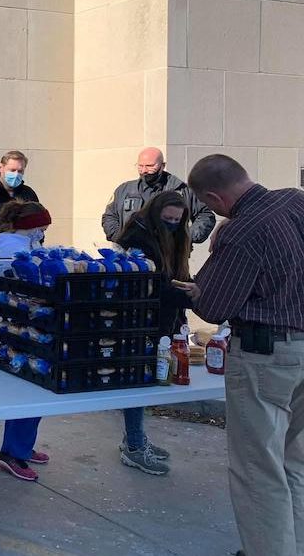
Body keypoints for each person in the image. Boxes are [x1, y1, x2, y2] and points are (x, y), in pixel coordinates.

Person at [176, 154, 304, 556]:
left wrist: (199, 287)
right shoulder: (295, 200)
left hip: (269, 356)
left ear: (214, 197)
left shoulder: (244, 232)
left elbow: (214, 306)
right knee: (295, 462)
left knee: (258, 469)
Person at [113, 191, 194, 476]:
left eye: (177, 220)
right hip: (142, 317)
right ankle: (134, 444)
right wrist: (189, 296)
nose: (173, 224)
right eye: (168, 219)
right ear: (156, 213)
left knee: (146, 380)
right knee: (139, 382)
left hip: (162, 316)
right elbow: (153, 284)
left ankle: (135, 438)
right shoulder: (138, 237)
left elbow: (173, 276)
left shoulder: (173, 236)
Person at [0, 200, 52, 481]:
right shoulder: (16, 248)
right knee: (31, 389)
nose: (44, 232)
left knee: (29, 390)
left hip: (7, 325)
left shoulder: (1, 244)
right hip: (21, 326)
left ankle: (21, 445)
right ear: (30, 226)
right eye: (42, 227)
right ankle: (13, 452)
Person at [102, 147, 215, 244]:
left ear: (162, 166)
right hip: (132, 258)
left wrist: (185, 237)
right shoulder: (124, 190)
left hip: (170, 258)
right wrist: (120, 237)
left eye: (150, 166)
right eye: (140, 166)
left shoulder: (181, 190)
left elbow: (206, 215)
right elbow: (109, 216)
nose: (144, 170)